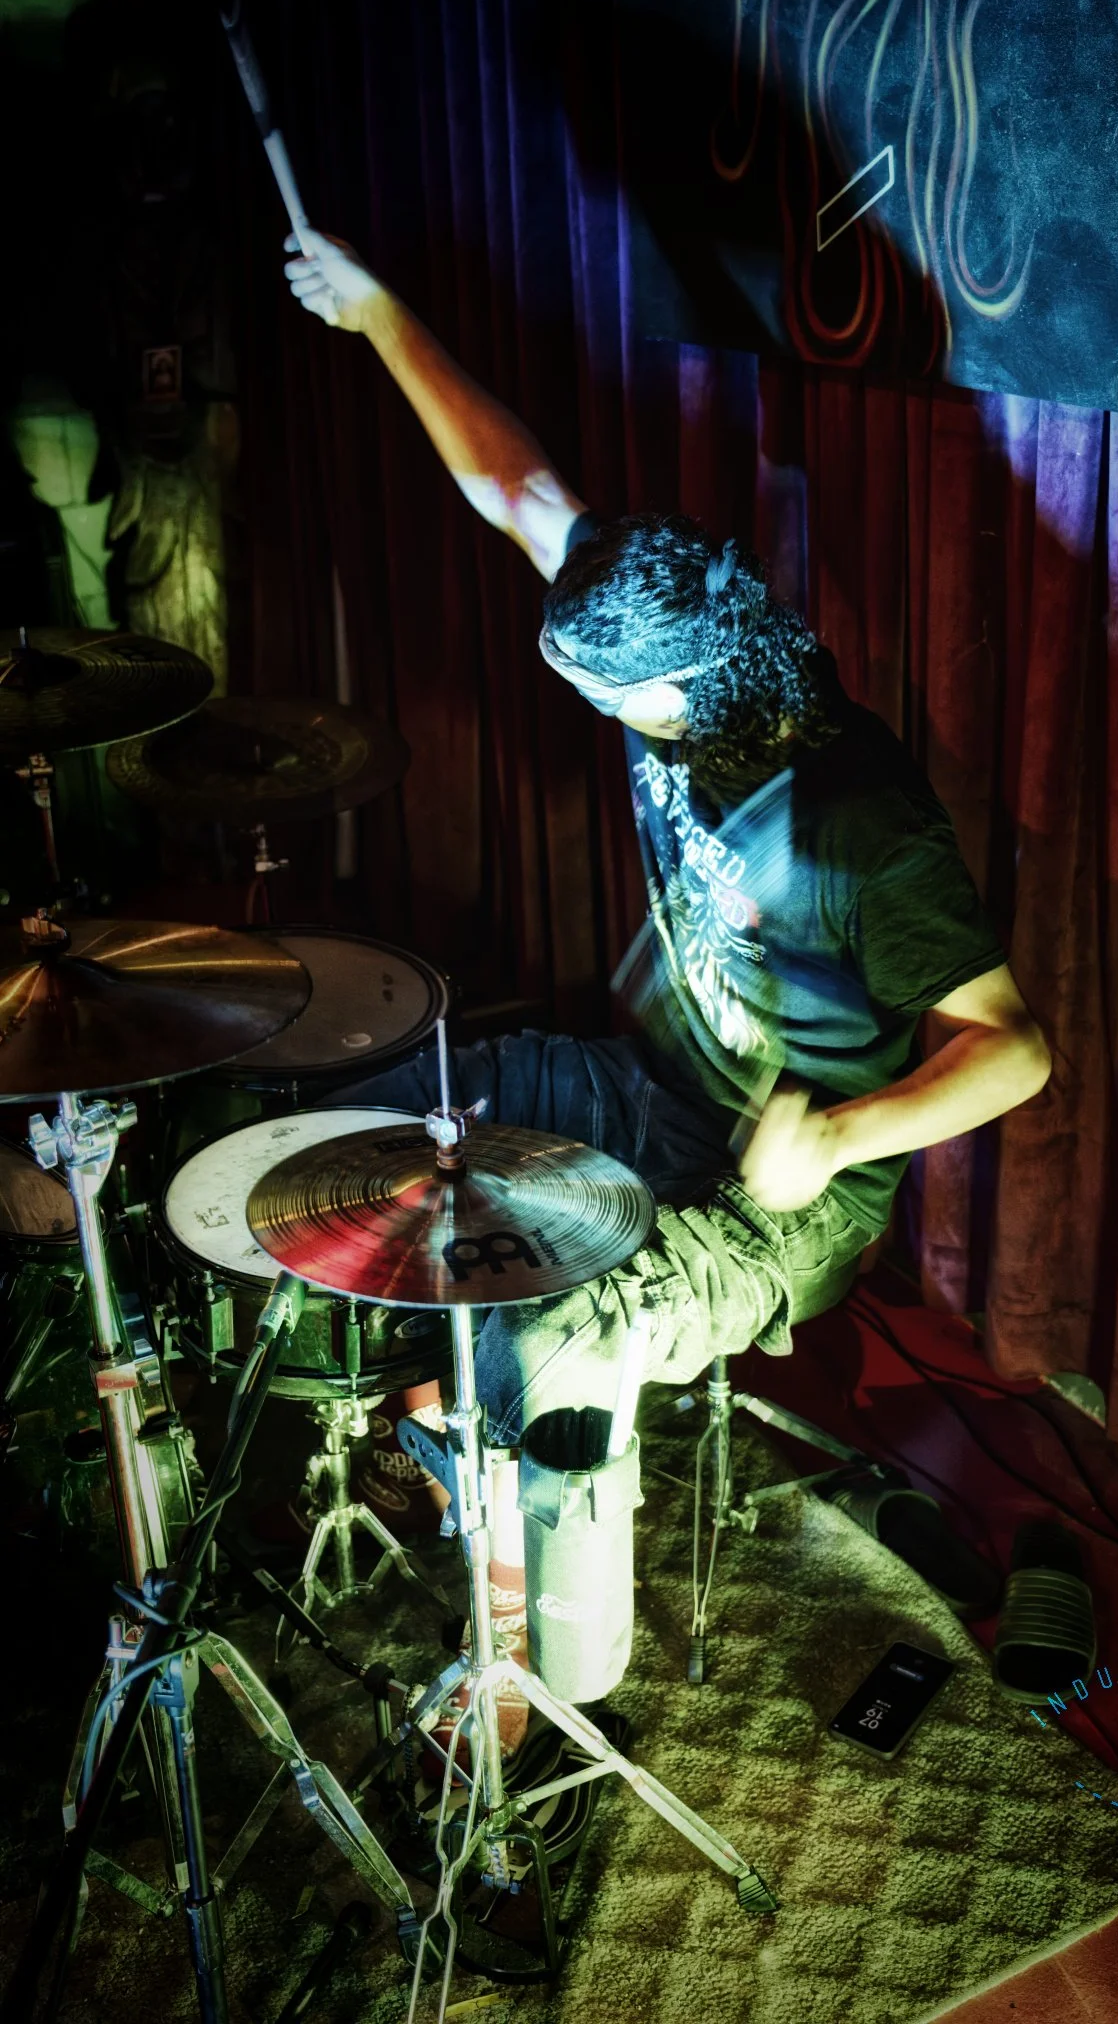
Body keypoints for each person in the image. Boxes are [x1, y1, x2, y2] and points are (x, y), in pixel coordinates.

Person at [284, 232, 1051, 1738]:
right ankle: (439, 1425)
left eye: (603, 699)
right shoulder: (673, 631)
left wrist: (834, 1137)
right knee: (372, 1098)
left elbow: (1015, 1051)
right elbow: (515, 487)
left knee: (555, 1337)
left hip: (793, 1200)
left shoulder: (857, 816)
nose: (586, 709)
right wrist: (377, 310)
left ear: (678, 688)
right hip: (656, 1092)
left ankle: (527, 1687)